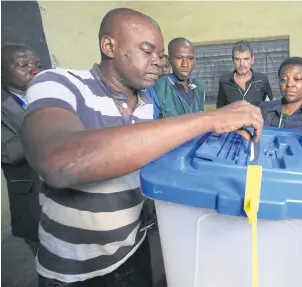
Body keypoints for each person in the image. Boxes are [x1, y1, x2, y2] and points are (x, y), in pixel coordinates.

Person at [20, 8, 263, 287]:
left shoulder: (147, 104)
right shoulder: (61, 84)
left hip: (134, 253)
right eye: (147, 52)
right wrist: (210, 119)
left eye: (160, 56)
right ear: (109, 46)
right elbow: (60, 162)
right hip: (73, 273)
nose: (157, 63)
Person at [1, 42, 42, 255]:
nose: (33, 70)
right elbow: (8, 152)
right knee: (49, 264)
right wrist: (44, 122)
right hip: (32, 197)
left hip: (64, 194)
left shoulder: (47, 94)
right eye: (23, 65)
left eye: (36, 64)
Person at [151, 38, 205, 119]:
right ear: (169, 61)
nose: (185, 64)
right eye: (179, 58)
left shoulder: (199, 86)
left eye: (190, 58)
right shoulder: (157, 88)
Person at [216, 40, 273, 108]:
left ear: (252, 60)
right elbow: (220, 110)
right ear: (233, 60)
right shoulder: (224, 81)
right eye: (237, 59)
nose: (242, 64)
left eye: (246, 59)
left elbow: (270, 108)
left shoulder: (262, 80)